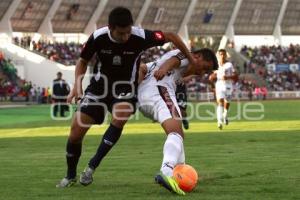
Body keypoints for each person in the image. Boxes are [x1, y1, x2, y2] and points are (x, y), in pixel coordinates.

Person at [56, 6, 196, 188]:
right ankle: (70, 175)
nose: (125, 37)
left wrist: (190, 59)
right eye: (121, 33)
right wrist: (77, 85)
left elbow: (170, 36)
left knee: (120, 115)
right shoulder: (98, 37)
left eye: (128, 31)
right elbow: (82, 61)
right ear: (110, 27)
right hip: (99, 88)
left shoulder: (140, 36)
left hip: (126, 87)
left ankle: (92, 166)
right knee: (76, 131)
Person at [138, 48, 218, 195]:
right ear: (197, 56)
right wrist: (164, 69)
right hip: (159, 90)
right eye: (205, 67)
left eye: (206, 71)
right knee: (176, 132)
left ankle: (179, 173)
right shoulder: (187, 54)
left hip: (149, 95)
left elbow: (144, 68)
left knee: (178, 133)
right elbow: (175, 59)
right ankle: (167, 171)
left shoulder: (176, 67)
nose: (202, 73)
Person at [209, 49, 238, 130]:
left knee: (227, 102)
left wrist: (228, 77)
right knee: (220, 102)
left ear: (225, 55)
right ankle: (219, 121)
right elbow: (213, 75)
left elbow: (236, 76)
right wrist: (211, 78)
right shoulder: (216, 65)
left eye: (223, 54)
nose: (222, 56)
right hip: (219, 85)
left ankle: (225, 114)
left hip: (228, 85)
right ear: (218, 55)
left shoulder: (229, 65)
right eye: (220, 54)